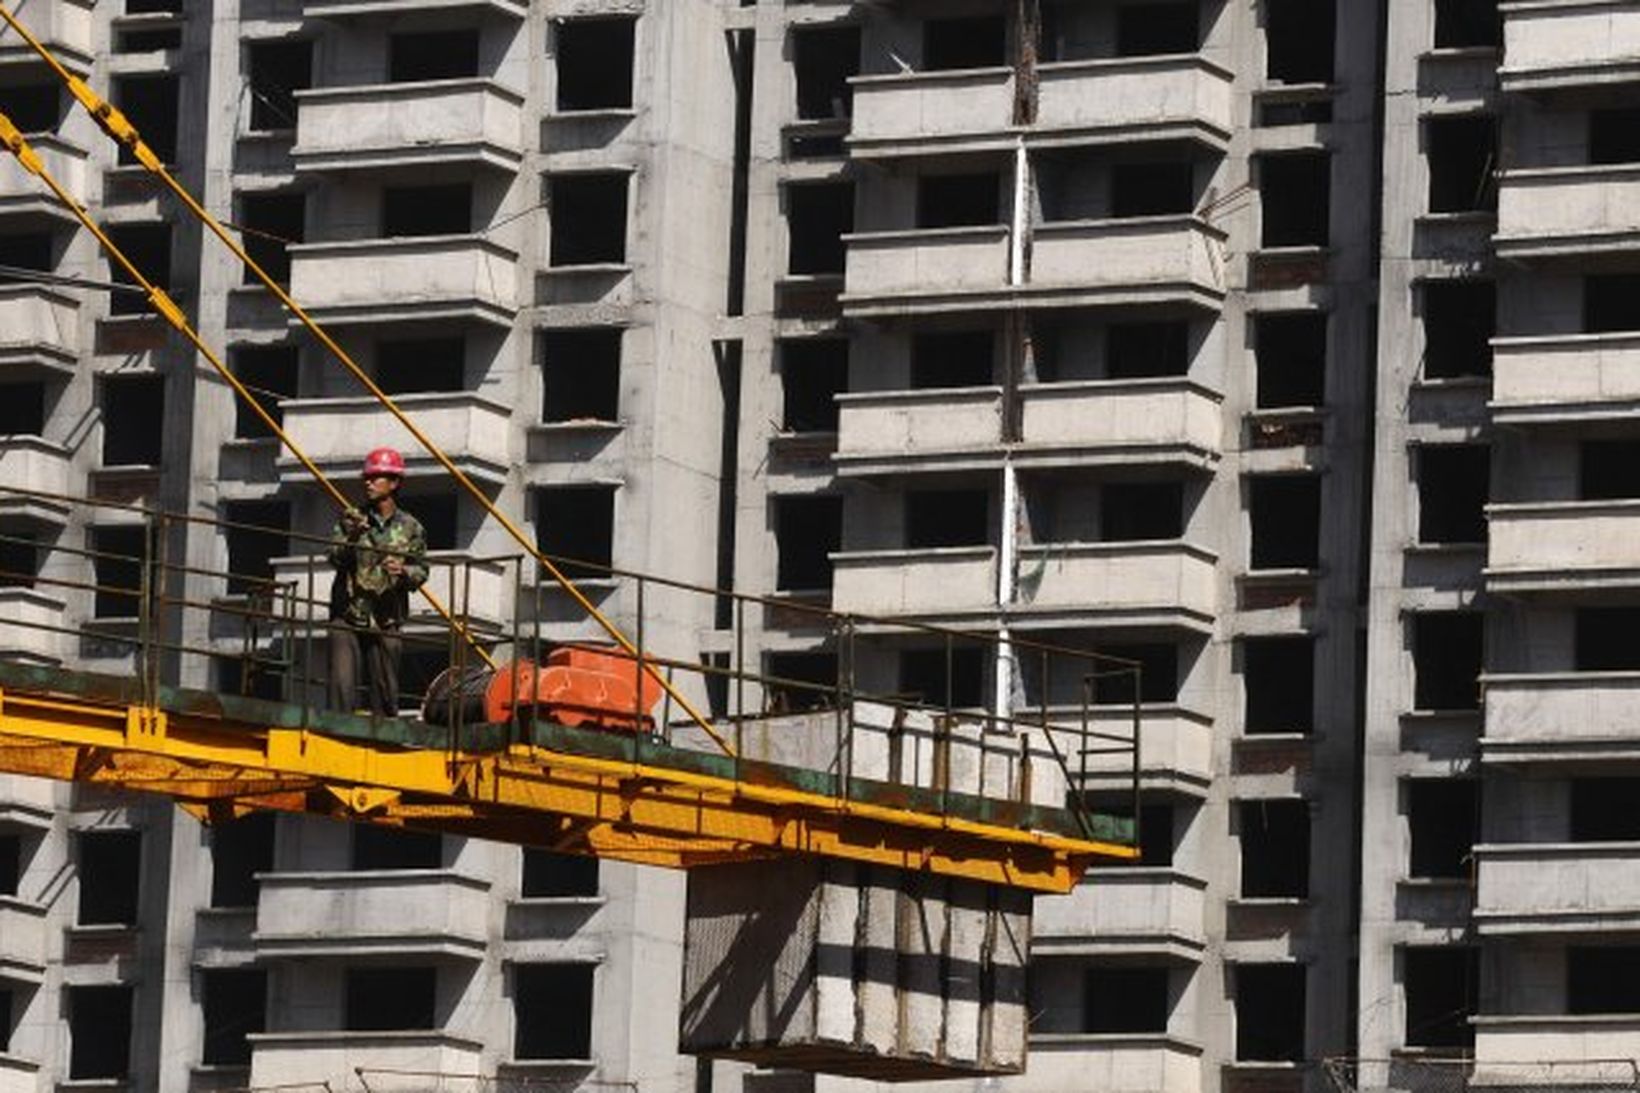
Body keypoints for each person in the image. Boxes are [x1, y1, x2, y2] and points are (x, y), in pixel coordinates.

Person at [327, 446, 428, 716]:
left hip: (386, 617)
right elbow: (334, 558)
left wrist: (404, 572)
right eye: (366, 478)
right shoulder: (351, 518)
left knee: (386, 694)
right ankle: (339, 735)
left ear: (394, 483)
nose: (368, 483)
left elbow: (421, 571)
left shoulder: (411, 527)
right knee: (341, 686)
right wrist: (351, 537)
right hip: (348, 613)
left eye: (376, 477)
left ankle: (382, 739)